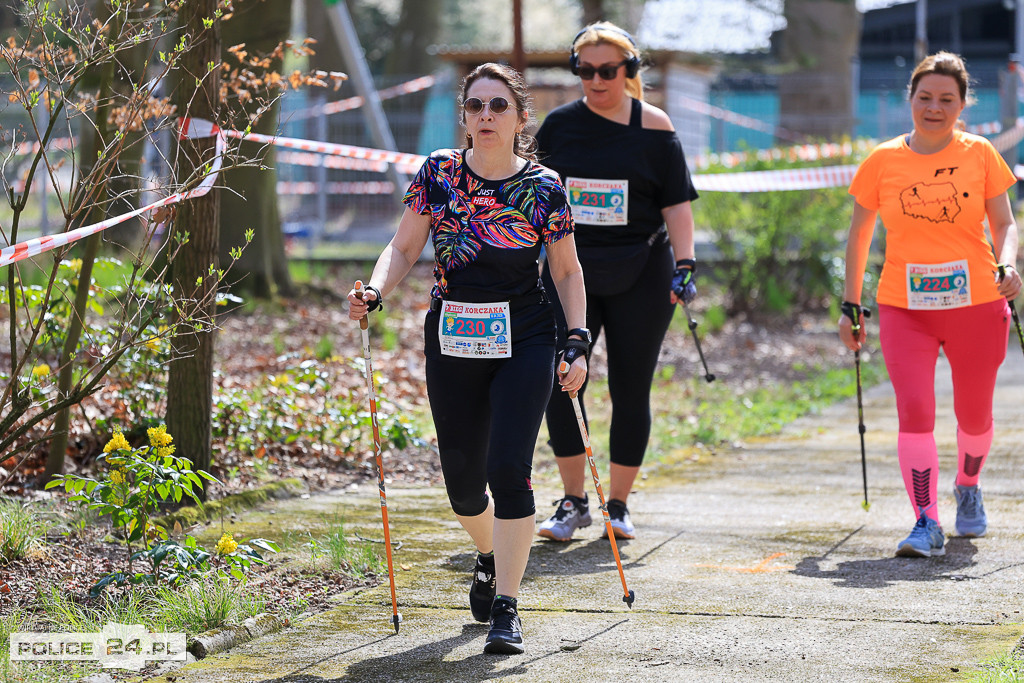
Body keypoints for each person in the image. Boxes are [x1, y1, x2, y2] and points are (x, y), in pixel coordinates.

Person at [347, 63, 588, 654]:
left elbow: (565, 270)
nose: (486, 115)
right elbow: (404, 246)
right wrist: (375, 290)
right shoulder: (439, 173)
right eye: (476, 105)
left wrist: (577, 338)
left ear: (520, 118)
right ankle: (488, 553)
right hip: (453, 336)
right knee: (462, 484)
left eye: (498, 105)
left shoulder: (544, 187)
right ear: (464, 116)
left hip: (525, 337)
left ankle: (507, 607)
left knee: (509, 469)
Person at [840, 52, 1022, 558]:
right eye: (924, 97)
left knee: (974, 416)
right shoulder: (882, 161)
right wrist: (851, 306)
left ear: (963, 105)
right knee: (915, 412)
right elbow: (859, 237)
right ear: (910, 100)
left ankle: (968, 485)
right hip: (905, 308)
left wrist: (1008, 264)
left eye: (946, 99)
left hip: (977, 304)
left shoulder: (980, 153)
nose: (934, 108)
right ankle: (926, 520)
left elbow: (1004, 224)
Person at [534, 22, 699, 542]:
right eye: (584, 70)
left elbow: (677, 203)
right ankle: (573, 502)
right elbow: (531, 193)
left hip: (642, 270)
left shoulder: (654, 126)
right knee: (562, 379)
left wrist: (686, 264)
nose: (596, 80)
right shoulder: (559, 126)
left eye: (608, 70)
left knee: (631, 387)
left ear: (628, 70)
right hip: (570, 271)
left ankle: (619, 506)